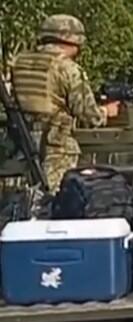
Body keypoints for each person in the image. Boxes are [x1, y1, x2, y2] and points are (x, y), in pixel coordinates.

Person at [10, 15, 120, 192]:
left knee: (30, 198)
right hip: (57, 147)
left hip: (24, 142)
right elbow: (89, 115)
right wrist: (106, 111)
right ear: (71, 41)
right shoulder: (67, 68)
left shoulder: (18, 61)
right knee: (55, 200)